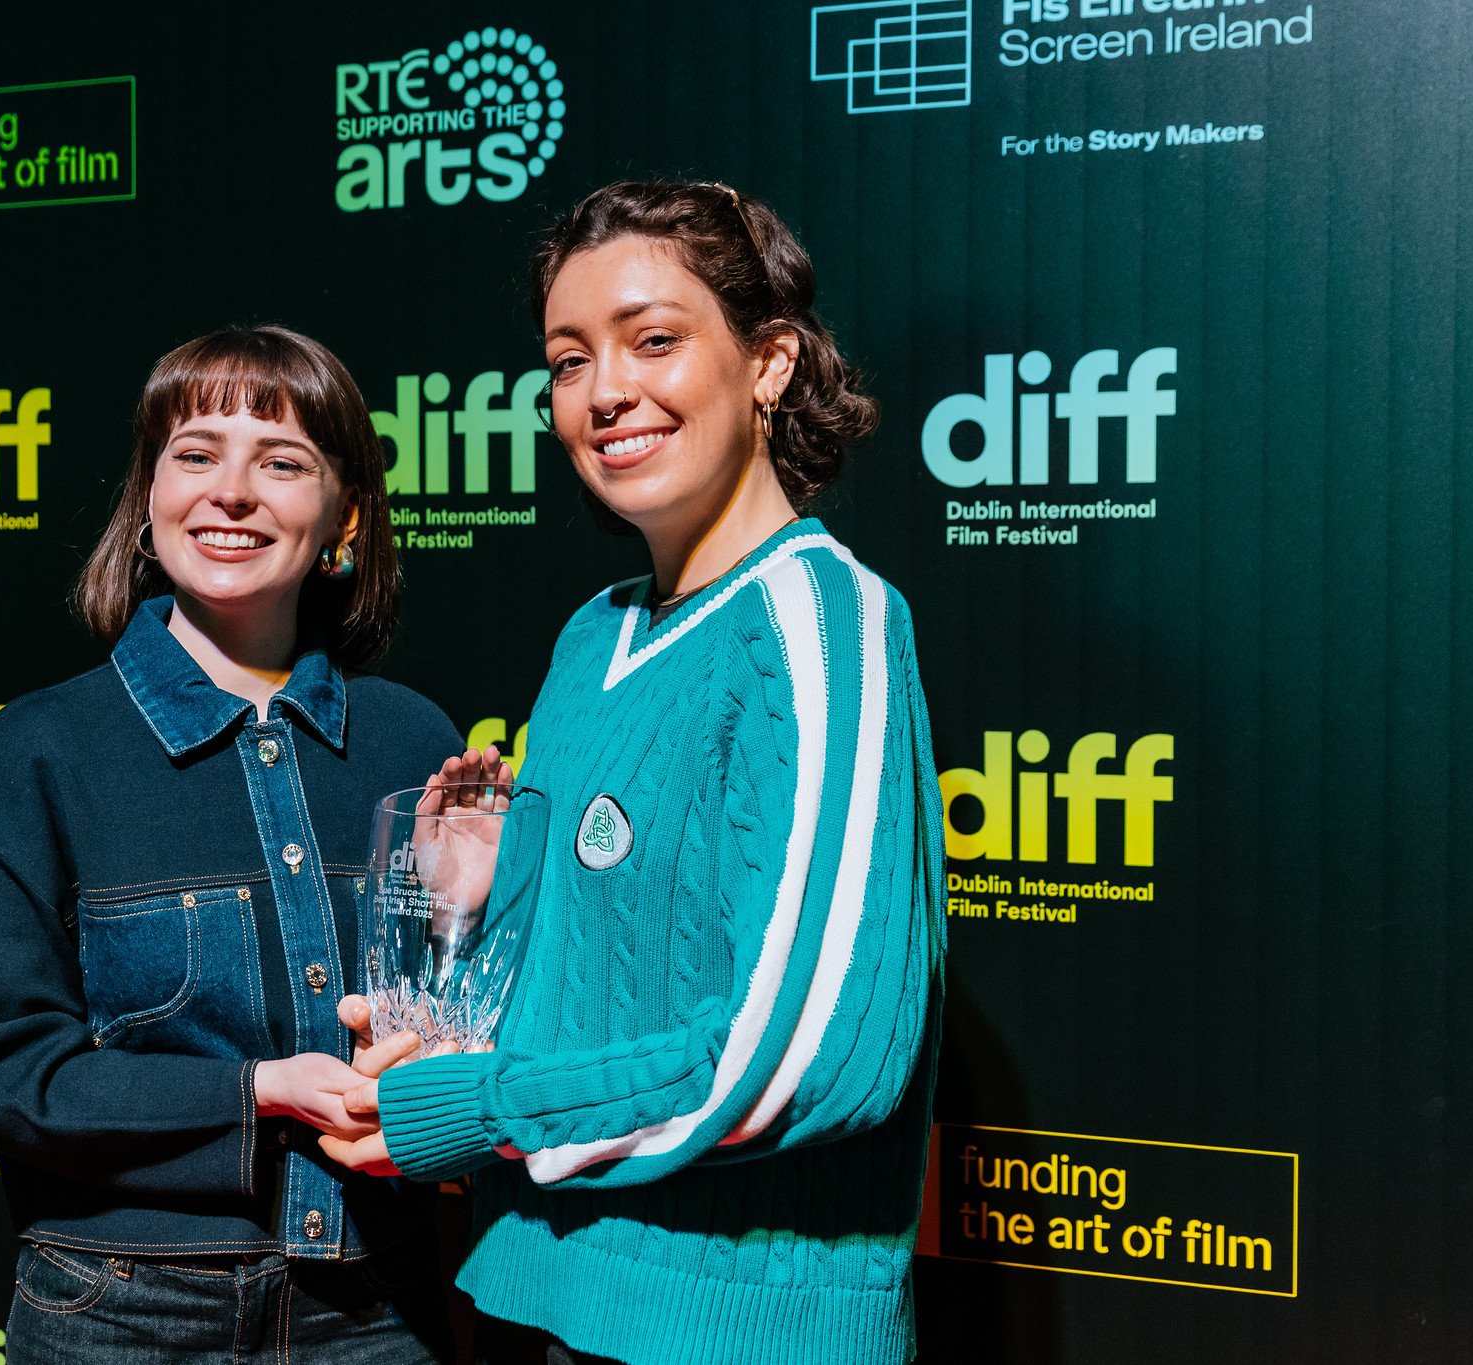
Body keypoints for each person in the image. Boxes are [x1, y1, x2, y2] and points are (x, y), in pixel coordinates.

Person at [322, 181, 948, 1365]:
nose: (605, 392)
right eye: (567, 361)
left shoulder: (815, 620)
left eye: (653, 339)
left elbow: (809, 1058)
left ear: (767, 361)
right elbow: (587, 1002)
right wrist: (474, 919)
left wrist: (474, 1108)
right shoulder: (591, 635)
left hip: (729, 1336)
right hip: (540, 1289)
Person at [0, 326, 465, 1363]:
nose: (232, 492)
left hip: (379, 1308)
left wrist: (459, 914)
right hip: (122, 1312)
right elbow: (4, 1075)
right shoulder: (36, 752)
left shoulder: (412, 742)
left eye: (283, 462)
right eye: (197, 453)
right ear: (149, 499)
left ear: (343, 517)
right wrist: (253, 1093)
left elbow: (464, 1043)